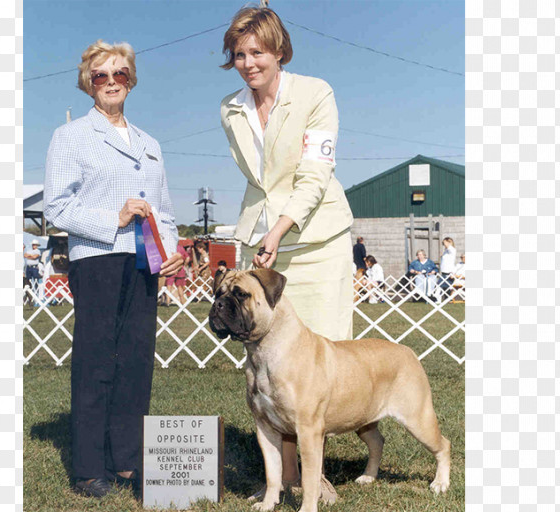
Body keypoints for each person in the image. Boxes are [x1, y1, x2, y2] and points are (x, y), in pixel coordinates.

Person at [219, 6, 355, 503]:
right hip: (266, 244)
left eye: (258, 52)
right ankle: (291, 478)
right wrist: (258, 234)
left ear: (280, 51)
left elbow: (314, 175)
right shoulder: (229, 109)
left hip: (315, 239)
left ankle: (316, 476)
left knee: (319, 366)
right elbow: (259, 180)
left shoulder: (316, 94)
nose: (249, 62)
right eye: (239, 54)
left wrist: (281, 226)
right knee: (271, 369)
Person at [43, 39, 184, 500]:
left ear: (131, 81)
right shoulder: (71, 137)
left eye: (119, 74)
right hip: (98, 258)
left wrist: (172, 249)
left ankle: (125, 458)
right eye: (100, 75)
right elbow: (57, 207)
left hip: (144, 263)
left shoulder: (150, 143)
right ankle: (87, 466)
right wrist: (114, 219)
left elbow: (162, 209)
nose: (110, 82)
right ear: (88, 83)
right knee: (96, 361)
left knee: (137, 361)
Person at [438, 237, 457, 301]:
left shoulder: (452, 250)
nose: (444, 245)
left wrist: (447, 243)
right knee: (443, 286)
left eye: (444, 243)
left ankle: (440, 299)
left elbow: (449, 248)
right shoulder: (446, 251)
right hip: (444, 271)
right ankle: (441, 299)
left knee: (443, 285)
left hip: (449, 272)